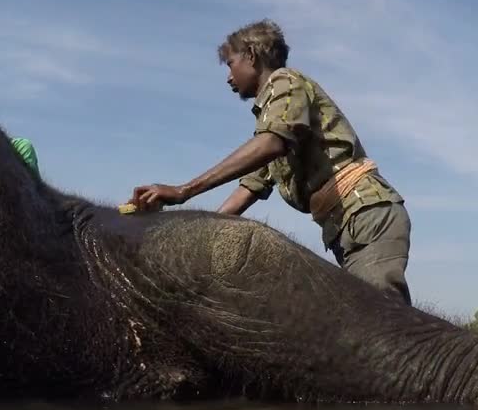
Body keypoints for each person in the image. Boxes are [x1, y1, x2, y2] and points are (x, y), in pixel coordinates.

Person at [127, 19, 413, 304]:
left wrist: (184, 191)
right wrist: (193, 233)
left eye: (230, 64)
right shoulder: (278, 124)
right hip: (348, 224)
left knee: (381, 322)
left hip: (365, 213)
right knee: (370, 322)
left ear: (251, 56)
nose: (228, 77)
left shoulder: (285, 83)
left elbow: (269, 143)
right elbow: (249, 188)